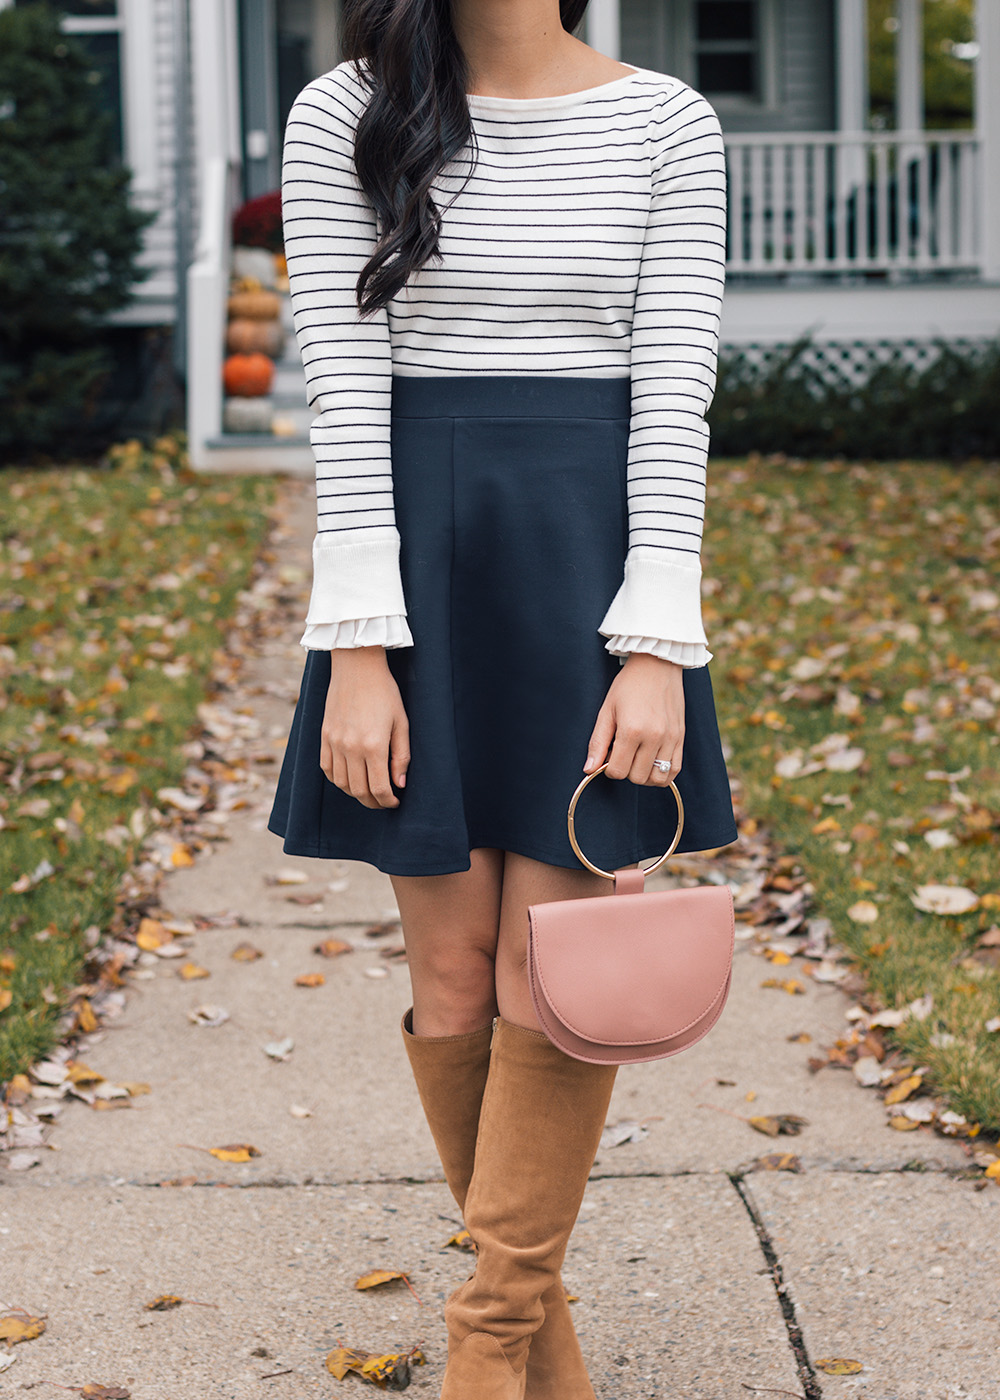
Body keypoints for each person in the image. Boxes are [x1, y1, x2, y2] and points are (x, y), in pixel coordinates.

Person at [267, 0, 738, 1394]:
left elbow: (673, 391)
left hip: (589, 557)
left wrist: (657, 640)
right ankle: (544, 1353)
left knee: (558, 970)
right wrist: (359, 644)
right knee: (458, 973)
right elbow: (343, 384)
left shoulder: (666, 122)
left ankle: (486, 1347)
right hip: (416, 558)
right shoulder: (344, 110)